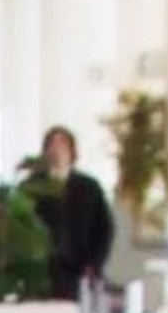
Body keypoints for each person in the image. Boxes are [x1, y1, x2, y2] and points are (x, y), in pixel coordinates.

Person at [25, 126, 115, 302]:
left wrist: (94, 264)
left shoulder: (89, 187)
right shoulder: (32, 187)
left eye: (62, 146)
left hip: (79, 271)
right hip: (43, 273)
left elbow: (104, 229)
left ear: (72, 152)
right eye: (52, 145)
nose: (57, 151)